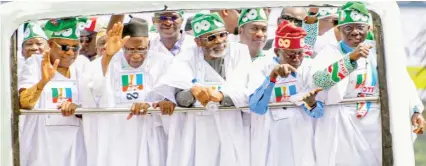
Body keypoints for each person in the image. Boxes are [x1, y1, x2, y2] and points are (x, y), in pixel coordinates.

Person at [308, 2, 425, 165]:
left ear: (368, 29)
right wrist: (350, 59)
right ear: (339, 29)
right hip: (341, 126)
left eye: (360, 27)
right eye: (348, 28)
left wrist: (415, 110)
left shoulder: (380, 52)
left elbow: (402, 82)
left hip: (375, 126)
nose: (355, 32)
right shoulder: (330, 52)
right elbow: (320, 80)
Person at [152, 12, 252, 166]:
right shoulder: (186, 57)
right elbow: (178, 96)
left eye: (222, 35)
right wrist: (193, 91)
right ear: (198, 42)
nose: (219, 41)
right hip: (197, 130)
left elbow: (247, 88)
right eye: (211, 38)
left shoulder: (239, 51)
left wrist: (220, 95)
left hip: (231, 124)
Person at [80, 18, 175, 166]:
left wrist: (153, 104)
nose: (136, 55)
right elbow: (93, 91)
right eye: (130, 49)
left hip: (150, 134)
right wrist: (108, 57)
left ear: (149, 44)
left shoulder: (165, 62)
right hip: (117, 135)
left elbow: (171, 93)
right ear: (123, 46)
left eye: (141, 49)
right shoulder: (109, 61)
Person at [248, 20, 324, 166]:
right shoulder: (261, 65)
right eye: (291, 55)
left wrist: (312, 103)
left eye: (300, 54)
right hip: (270, 136)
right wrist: (272, 78)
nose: (296, 59)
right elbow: (256, 107)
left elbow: (319, 113)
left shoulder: (309, 66)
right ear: (277, 51)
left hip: (301, 134)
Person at [18, 17, 89, 166]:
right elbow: (23, 103)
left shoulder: (82, 65)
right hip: (41, 147)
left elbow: (94, 104)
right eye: (64, 47)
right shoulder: (35, 63)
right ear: (50, 44)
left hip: (75, 148)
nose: (70, 53)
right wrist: (43, 82)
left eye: (75, 48)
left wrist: (78, 108)